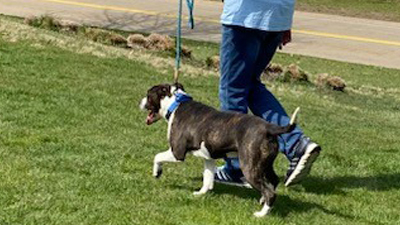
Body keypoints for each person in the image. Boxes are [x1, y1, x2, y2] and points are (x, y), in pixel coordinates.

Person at [215, 0, 321, 187]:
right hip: (276, 17)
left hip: (246, 16)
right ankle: (296, 143)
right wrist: (284, 23)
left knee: (232, 90)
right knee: (250, 85)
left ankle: (237, 168)